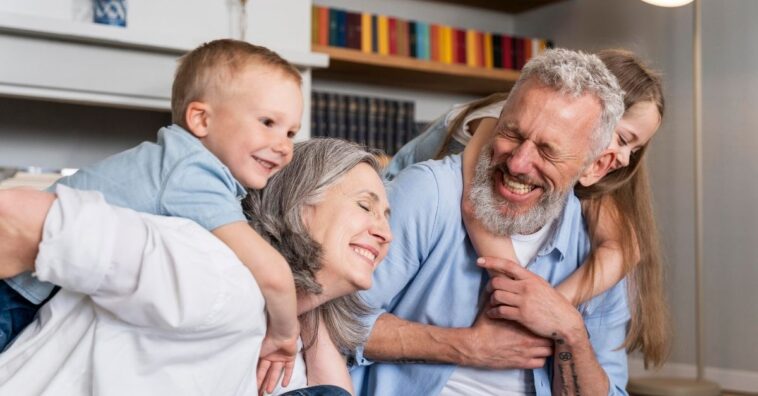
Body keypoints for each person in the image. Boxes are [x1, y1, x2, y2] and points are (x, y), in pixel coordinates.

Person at [1, 39, 304, 384]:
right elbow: (273, 274)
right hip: (13, 287)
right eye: (268, 122)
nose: (283, 145)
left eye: (291, 132)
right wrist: (283, 335)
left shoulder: (182, 165)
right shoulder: (193, 173)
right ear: (201, 119)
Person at [0, 138, 392, 395]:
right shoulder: (209, 268)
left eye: (387, 216)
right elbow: (16, 215)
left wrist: (308, 307)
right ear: (297, 206)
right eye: (365, 206)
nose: (385, 233)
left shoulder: (285, 352)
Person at [350, 48, 630, 395]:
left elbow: (611, 391)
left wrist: (570, 330)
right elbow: (329, 318)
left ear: (595, 167)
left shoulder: (596, 252)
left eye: (547, 150)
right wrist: (467, 346)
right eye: (512, 133)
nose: (518, 163)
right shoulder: (429, 194)